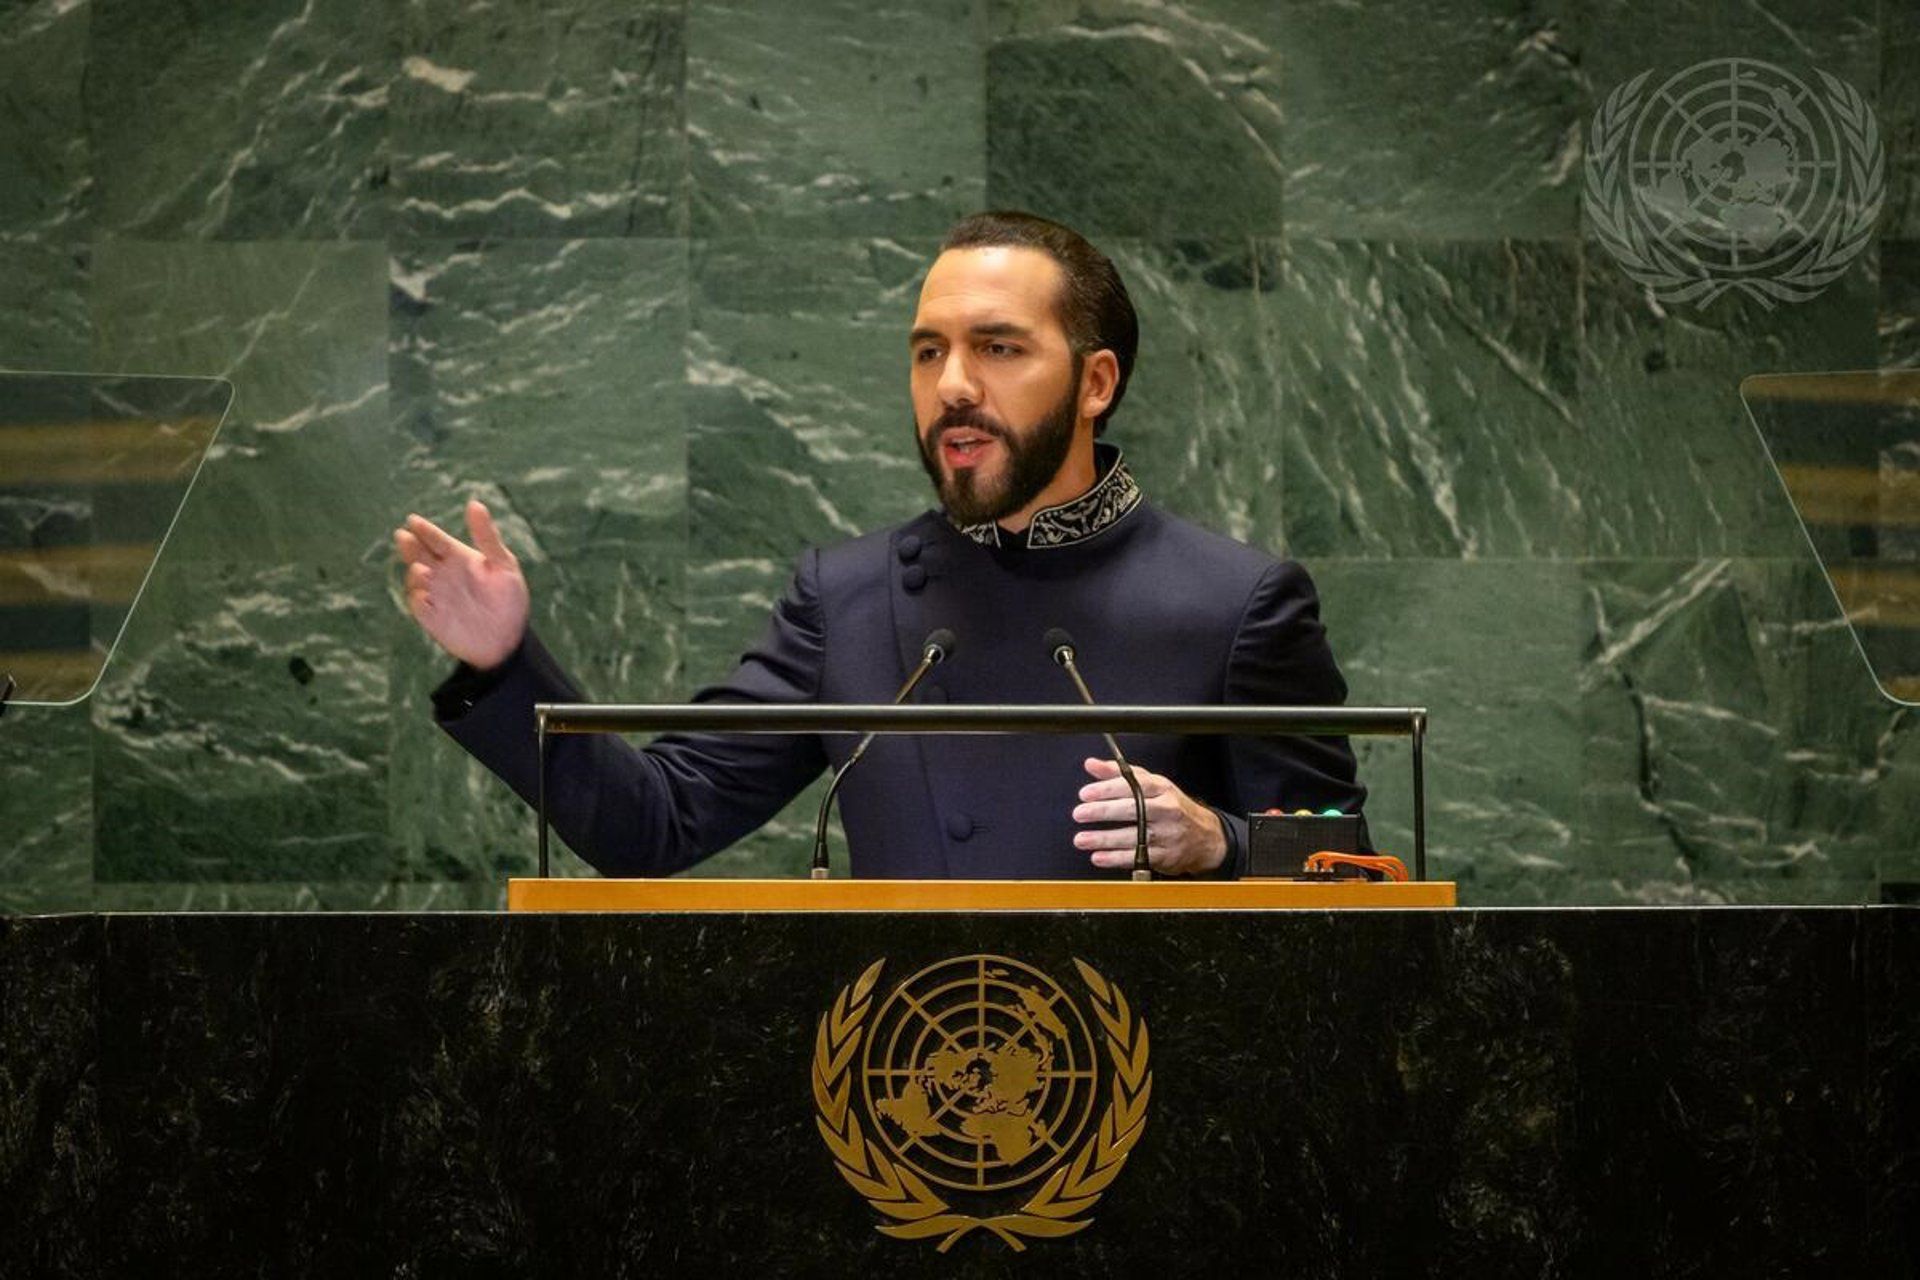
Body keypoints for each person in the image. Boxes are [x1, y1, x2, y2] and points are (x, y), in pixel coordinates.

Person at [395, 211, 1366, 879]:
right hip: (903, 1079)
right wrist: (505, 663)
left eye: (998, 347)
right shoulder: (847, 597)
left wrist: (1220, 841)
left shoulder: (1237, 601)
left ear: (1096, 382)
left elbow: (1350, 866)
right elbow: (655, 820)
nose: (952, 384)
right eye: (929, 351)